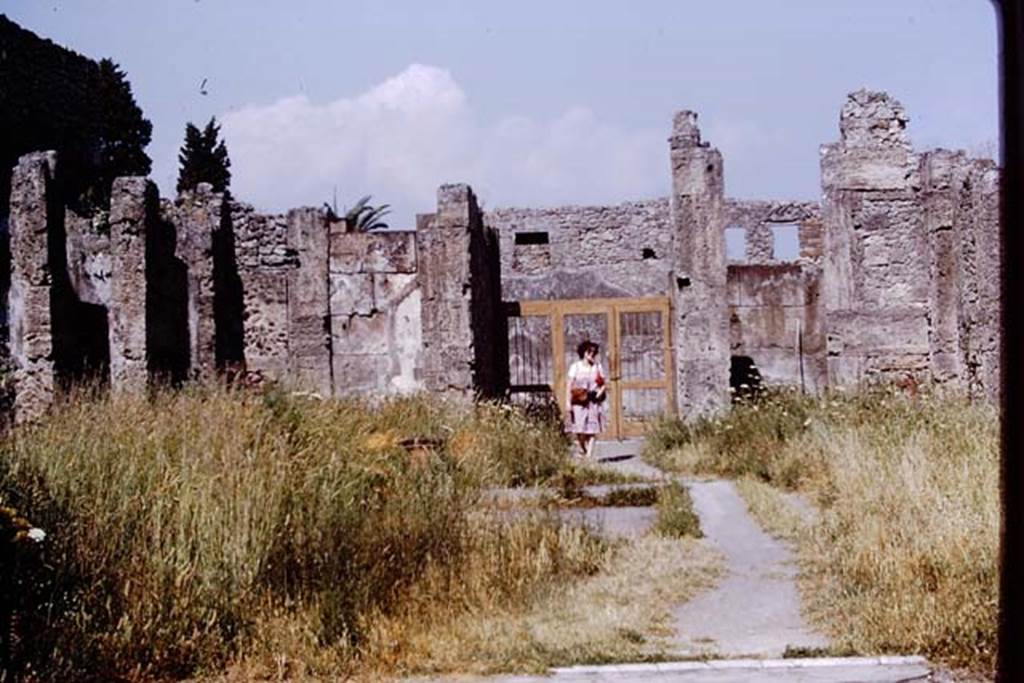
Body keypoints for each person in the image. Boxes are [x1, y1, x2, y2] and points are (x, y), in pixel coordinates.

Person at [566, 340, 606, 459]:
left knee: (592, 429)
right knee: (579, 428)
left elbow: (602, 383)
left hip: (593, 401)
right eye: (589, 351)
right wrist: (567, 402)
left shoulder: (598, 367)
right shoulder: (575, 367)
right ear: (584, 352)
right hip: (579, 401)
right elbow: (569, 384)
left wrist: (600, 393)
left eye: (594, 352)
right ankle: (583, 448)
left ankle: (589, 456)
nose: (592, 354)